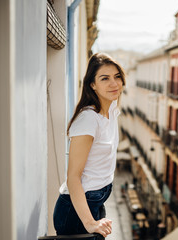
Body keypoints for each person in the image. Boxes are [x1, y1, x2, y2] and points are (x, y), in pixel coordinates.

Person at [53, 53, 126, 238]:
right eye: (105, 78)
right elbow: (73, 177)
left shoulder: (111, 111)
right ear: (92, 85)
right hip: (77, 212)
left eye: (117, 77)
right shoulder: (89, 120)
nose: (114, 83)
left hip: (95, 202)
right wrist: (90, 223)